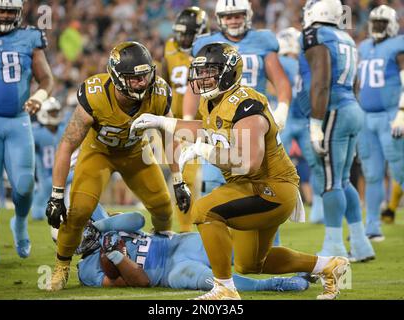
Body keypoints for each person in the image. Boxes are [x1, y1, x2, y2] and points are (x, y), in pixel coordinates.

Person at [131, 42, 350, 300]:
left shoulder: (246, 105)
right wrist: (162, 122)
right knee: (252, 264)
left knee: (203, 210)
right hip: (252, 186)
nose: (202, 78)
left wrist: (204, 151)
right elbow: (205, 128)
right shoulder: (214, 102)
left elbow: (249, 162)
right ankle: (329, 266)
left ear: (228, 72)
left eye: (209, 71)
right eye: (200, 72)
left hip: (270, 189)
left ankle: (224, 288)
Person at [44, 41, 191, 291]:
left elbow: (169, 137)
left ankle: (160, 249)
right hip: (98, 153)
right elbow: (67, 144)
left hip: (135, 153)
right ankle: (62, 266)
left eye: (145, 75)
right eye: (135, 78)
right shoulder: (96, 94)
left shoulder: (159, 93)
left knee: (163, 206)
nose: (142, 82)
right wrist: (57, 195)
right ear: (117, 77)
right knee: (79, 211)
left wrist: (178, 179)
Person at [183, 0, 292, 245]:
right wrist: (188, 120)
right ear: (220, 18)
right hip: (219, 123)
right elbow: (193, 87)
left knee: (262, 185)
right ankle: (217, 249)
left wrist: (282, 108)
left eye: (238, 15)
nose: (233, 20)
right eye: (228, 15)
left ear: (248, 15)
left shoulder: (264, 40)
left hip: (252, 120)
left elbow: (280, 79)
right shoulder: (205, 45)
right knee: (213, 183)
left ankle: (266, 250)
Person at [298, 0, 374, 261]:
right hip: (352, 108)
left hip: (333, 111)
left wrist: (316, 124)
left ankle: (334, 247)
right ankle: (362, 244)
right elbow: (355, 82)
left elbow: (321, 81)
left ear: (315, 12)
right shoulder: (345, 37)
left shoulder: (315, 34)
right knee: (343, 181)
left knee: (331, 183)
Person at [75, 212, 311, 293]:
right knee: (218, 284)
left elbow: (138, 219)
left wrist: (102, 226)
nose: (84, 230)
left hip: (176, 244)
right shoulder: (87, 270)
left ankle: (305, 266)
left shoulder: (105, 226)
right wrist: (116, 256)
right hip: (170, 273)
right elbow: (142, 281)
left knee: (241, 254)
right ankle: (275, 284)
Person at [0, 0, 53, 264]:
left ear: (18, 13)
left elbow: (46, 78)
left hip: (18, 120)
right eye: (0, 10)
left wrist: (38, 96)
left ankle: (20, 222)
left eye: (9, 11)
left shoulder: (30, 37)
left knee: (25, 184)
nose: (4, 15)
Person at [356, 5, 404, 240]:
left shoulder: (398, 45)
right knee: (372, 174)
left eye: (382, 23)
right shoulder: (364, 46)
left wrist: (402, 111)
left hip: (392, 115)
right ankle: (372, 227)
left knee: (400, 170)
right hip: (366, 118)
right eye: (375, 22)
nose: (377, 27)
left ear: (392, 25)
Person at [161, 6, 209, 232]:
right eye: (180, 32)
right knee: (180, 177)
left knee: (196, 178)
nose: (182, 38)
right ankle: (186, 229)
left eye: (188, 33)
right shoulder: (170, 47)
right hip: (174, 121)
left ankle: (192, 229)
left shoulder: (208, 50)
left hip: (200, 124)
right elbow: (163, 80)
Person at [275, 27, 324, 224]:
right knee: (316, 165)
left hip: (283, 120)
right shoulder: (305, 63)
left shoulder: (277, 61)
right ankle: (319, 208)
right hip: (303, 119)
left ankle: (277, 208)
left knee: (275, 166)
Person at [32, 97, 66, 220]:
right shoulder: (37, 132)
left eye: (56, 112)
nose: (55, 114)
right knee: (37, 214)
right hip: (46, 174)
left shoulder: (63, 129)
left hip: (64, 171)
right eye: (52, 112)